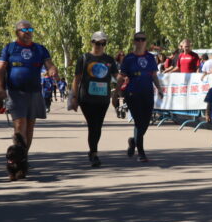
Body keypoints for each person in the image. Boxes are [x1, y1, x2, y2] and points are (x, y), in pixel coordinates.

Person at [0, 21, 59, 158]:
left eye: (30, 29)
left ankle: (23, 156)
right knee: (20, 125)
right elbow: (0, 69)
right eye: (24, 29)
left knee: (30, 127)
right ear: (16, 32)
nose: (28, 32)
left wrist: (53, 69)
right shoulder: (9, 48)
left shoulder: (40, 49)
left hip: (35, 92)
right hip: (15, 92)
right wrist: (0, 88)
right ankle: (18, 158)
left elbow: (49, 64)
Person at [70, 31, 119, 167]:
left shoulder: (109, 60)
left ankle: (93, 151)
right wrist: (74, 97)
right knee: (93, 125)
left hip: (103, 99)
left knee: (98, 126)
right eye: (98, 43)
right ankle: (94, 153)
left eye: (103, 43)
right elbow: (77, 79)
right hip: (86, 98)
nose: (100, 46)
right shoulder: (84, 58)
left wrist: (122, 81)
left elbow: (116, 76)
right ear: (92, 42)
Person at [117, 32, 165, 163]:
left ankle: (133, 141)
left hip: (147, 93)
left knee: (145, 122)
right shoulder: (129, 58)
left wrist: (159, 89)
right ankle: (141, 152)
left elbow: (154, 75)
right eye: (137, 39)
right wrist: (116, 93)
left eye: (142, 39)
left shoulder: (150, 58)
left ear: (146, 41)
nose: (140, 42)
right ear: (134, 41)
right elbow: (121, 77)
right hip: (132, 93)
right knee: (138, 122)